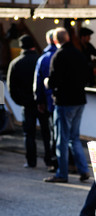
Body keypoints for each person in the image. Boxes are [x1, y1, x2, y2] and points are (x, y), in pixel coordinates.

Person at [43, 27, 90, 183]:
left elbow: (53, 81)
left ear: (56, 40)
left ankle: (62, 173)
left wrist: (46, 82)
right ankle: (83, 170)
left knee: (62, 139)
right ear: (68, 38)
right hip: (80, 100)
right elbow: (88, 76)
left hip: (64, 102)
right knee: (74, 138)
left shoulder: (59, 55)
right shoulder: (79, 54)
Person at [7, 34, 39, 168]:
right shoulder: (40, 59)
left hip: (26, 103)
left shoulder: (16, 63)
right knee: (48, 132)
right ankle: (51, 161)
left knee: (29, 133)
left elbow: (11, 87)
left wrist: (20, 101)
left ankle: (31, 160)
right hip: (41, 102)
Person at [33, 29, 57, 169]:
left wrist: (39, 101)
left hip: (49, 101)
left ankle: (51, 159)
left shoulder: (44, 58)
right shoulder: (60, 55)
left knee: (49, 132)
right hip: (63, 100)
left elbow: (38, 81)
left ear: (49, 40)